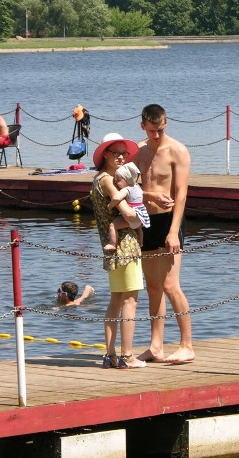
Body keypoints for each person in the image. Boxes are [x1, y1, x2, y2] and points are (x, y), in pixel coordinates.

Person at [134, 104, 195, 364]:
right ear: (143, 127)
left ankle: (187, 345)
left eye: (159, 130)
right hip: (147, 221)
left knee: (171, 285)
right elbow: (131, 187)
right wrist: (148, 196)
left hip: (170, 220)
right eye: (151, 131)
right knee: (153, 287)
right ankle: (156, 346)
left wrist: (173, 231)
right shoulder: (138, 150)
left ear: (166, 123)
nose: (156, 135)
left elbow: (181, 193)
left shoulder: (177, 151)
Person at [90, 132, 147, 369]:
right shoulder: (107, 180)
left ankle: (110, 355)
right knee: (130, 300)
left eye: (125, 153)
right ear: (105, 154)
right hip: (125, 245)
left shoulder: (99, 178)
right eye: (117, 153)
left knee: (116, 299)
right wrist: (139, 217)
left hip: (111, 246)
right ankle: (127, 356)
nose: (123, 158)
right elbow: (129, 212)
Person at [105, 162, 150, 254]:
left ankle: (112, 244)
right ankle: (141, 242)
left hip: (133, 213)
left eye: (118, 180)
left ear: (127, 179)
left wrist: (110, 205)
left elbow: (117, 198)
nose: (116, 182)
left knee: (113, 226)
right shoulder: (137, 187)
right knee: (138, 228)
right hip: (141, 215)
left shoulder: (127, 189)